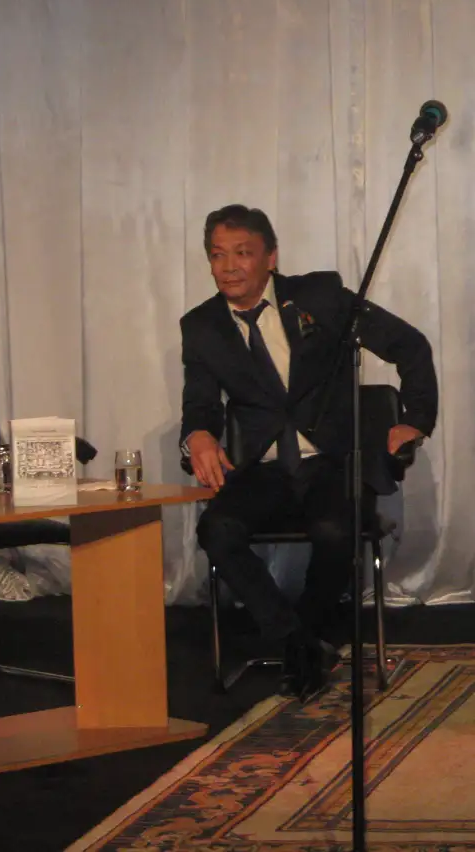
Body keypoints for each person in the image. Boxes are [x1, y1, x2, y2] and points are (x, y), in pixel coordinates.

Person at [180, 204, 437, 701]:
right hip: (265, 468)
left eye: (242, 253)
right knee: (216, 529)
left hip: (333, 460)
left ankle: (307, 637)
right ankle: (299, 642)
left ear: (270, 258)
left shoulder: (319, 297)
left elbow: (409, 345)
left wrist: (416, 420)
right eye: (217, 255)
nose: (229, 267)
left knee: (335, 529)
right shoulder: (202, 326)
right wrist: (198, 434)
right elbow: (200, 404)